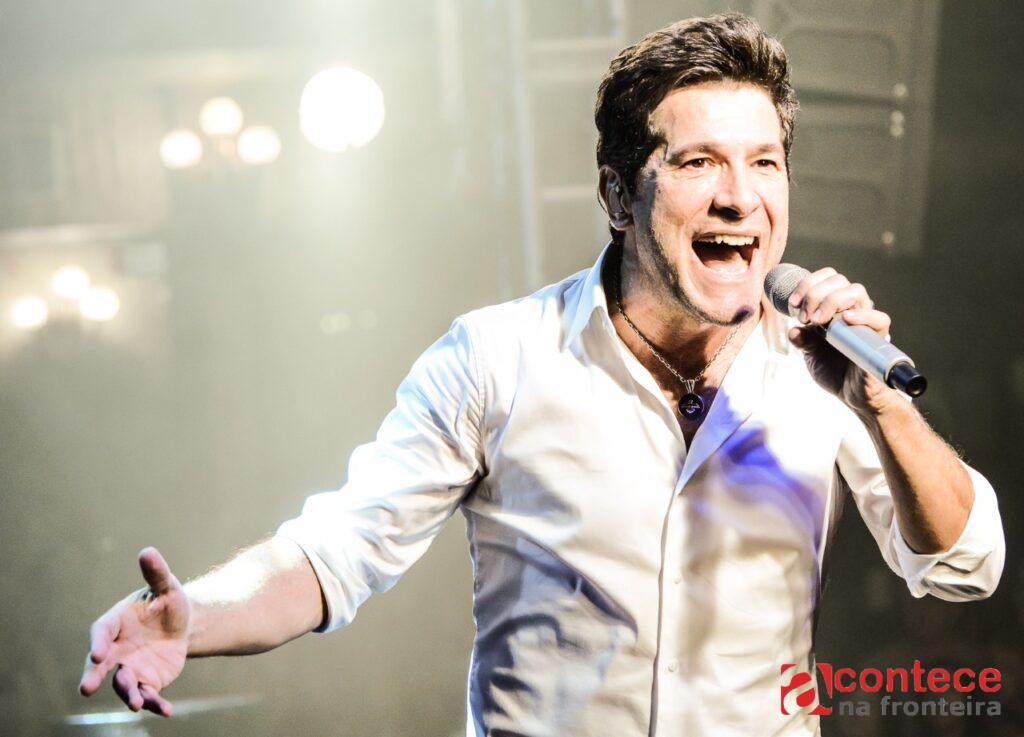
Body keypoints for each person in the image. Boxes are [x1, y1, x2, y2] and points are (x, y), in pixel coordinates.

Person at [79, 13, 1004, 736]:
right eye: (698, 162)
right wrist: (196, 616)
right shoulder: (497, 357)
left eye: (764, 162)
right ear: (617, 193)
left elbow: (967, 566)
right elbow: (335, 551)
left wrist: (883, 407)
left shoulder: (826, 366)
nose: (739, 194)